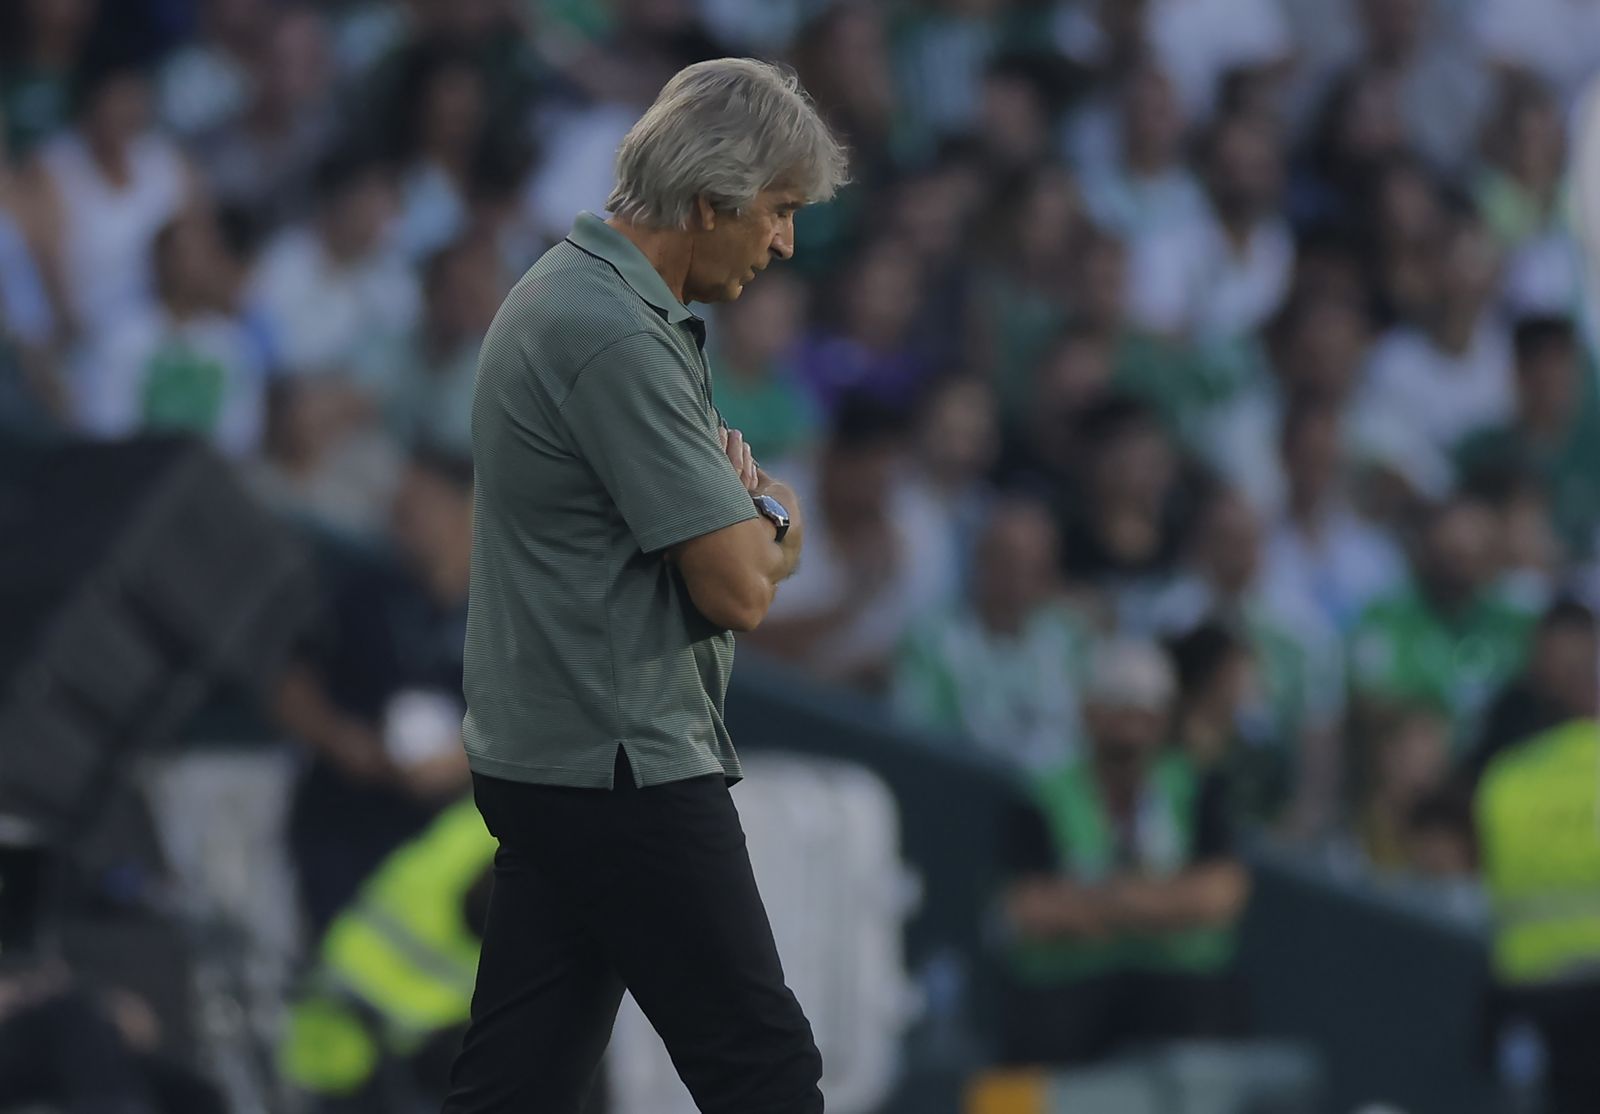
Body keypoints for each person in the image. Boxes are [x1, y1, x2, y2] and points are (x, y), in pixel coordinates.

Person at [446, 59, 845, 1114]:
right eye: (777, 210)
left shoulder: (585, 294)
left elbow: (744, 557)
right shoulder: (615, 330)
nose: (784, 243)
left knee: (517, 1090)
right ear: (710, 200)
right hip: (623, 759)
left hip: (562, 753)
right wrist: (771, 513)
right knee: (764, 1070)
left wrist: (757, 523)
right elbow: (740, 590)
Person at [998, 639, 1251, 1066]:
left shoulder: (1195, 786)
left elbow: (1221, 894)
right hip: (1068, 1000)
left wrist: (1100, 903)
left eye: (1145, 716)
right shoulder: (1043, 793)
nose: (1130, 734)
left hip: (1180, 997)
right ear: (1088, 714)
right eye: (1118, 712)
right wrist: (1164, 905)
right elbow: (1029, 909)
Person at [275, 446, 476, 935]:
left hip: (460, 844)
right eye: (400, 503)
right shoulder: (361, 592)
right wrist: (343, 741)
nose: (403, 517)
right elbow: (288, 683)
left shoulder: (520, 608)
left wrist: (462, 760)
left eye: (422, 503)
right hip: (348, 828)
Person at [892, 497, 1094, 775]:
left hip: (1051, 793)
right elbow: (917, 739)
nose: (1018, 580)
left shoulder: (1072, 639)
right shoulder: (930, 639)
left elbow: (1088, 741)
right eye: (1007, 563)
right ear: (980, 561)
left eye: (1035, 568)